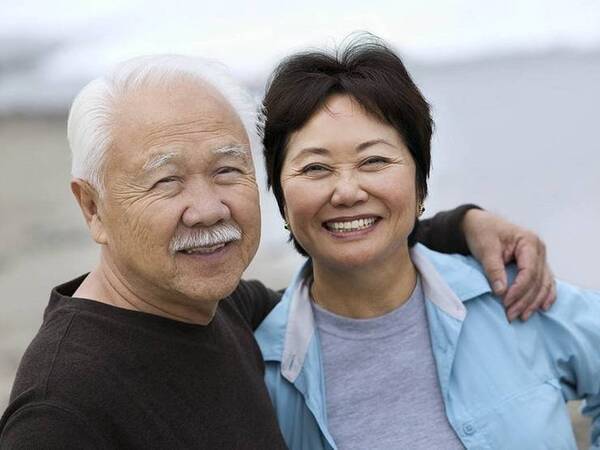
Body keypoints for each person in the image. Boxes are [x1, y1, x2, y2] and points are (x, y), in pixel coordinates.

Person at [0, 54, 553, 448]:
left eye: (227, 170)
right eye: (166, 182)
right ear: (92, 208)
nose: (209, 208)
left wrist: (463, 226)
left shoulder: (223, 308)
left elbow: (346, 268)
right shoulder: (63, 408)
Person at [255, 35, 600, 450]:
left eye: (374, 161)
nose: (346, 192)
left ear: (420, 183)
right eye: (315, 167)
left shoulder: (512, 295)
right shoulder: (261, 370)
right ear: (280, 196)